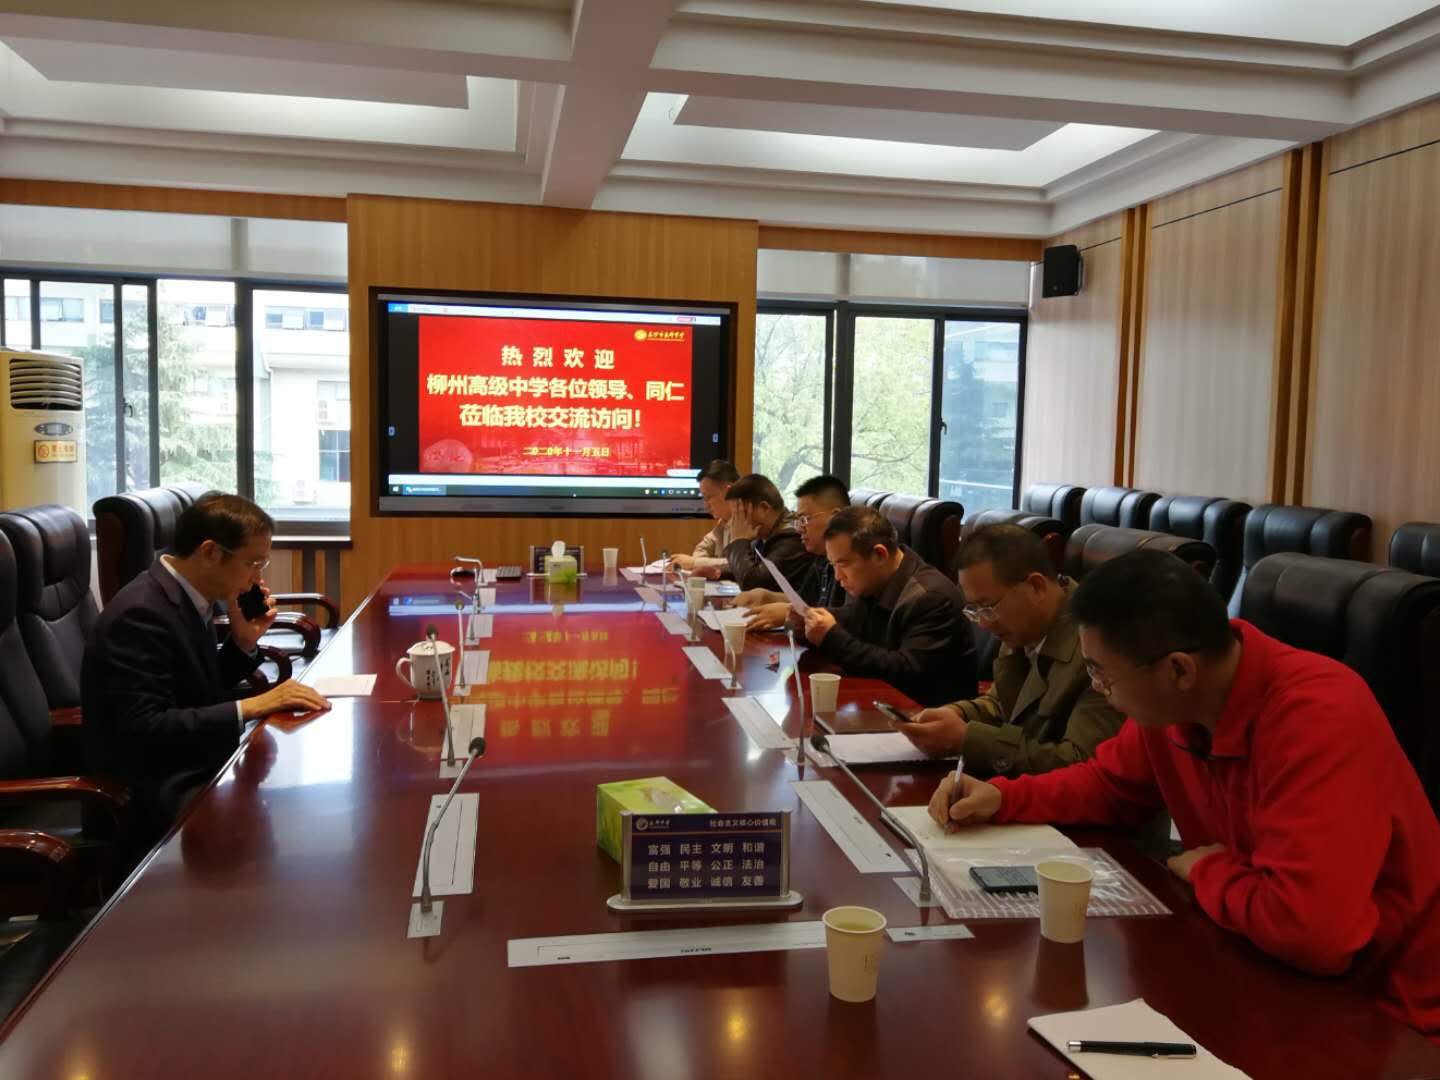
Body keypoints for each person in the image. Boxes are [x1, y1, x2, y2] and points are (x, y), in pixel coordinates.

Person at [927, 549, 1440, 1043]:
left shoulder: (1319, 717)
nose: (1098, 688)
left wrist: (1207, 870)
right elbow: (1107, 785)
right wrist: (1003, 798)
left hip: (1385, 1012)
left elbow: (1311, 931)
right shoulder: (1172, 706)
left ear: (1179, 670)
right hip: (1255, 958)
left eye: (1102, 673)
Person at [83, 492, 330, 837]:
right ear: (211, 552)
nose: (256, 578)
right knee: (300, 818)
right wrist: (252, 706)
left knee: (305, 802)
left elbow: (195, 688)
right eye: (253, 563)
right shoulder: (141, 614)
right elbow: (144, 727)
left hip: (191, 763)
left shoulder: (187, 596)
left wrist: (243, 644)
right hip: (153, 789)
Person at [894, 523, 1125, 776]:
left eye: (988, 607)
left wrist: (967, 740)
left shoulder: (1099, 649)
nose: (983, 623)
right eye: (975, 610)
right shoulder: (1023, 626)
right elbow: (1003, 704)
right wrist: (956, 713)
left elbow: (1082, 765)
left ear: (1035, 587)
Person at [803, 506, 976, 708]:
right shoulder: (874, 581)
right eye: (833, 565)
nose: (838, 576)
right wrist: (810, 620)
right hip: (882, 703)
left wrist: (831, 637)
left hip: (924, 714)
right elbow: (854, 619)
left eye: (843, 564)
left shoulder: (930, 597)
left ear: (880, 555)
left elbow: (904, 670)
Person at [735, 473, 849, 630]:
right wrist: (768, 596)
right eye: (798, 520)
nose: (799, 529)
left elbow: (850, 619)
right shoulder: (820, 558)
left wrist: (793, 613)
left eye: (805, 519)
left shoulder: (853, 562)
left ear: (835, 517)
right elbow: (805, 600)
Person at [721, 473, 812, 591]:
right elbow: (755, 568)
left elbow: (753, 583)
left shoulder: (792, 538)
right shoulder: (765, 534)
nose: (734, 522)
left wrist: (738, 540)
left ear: (764, 508)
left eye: (740, 514)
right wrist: (718, 573)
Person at [669, 459, 738, 578]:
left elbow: (739, 565)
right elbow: (702, 549)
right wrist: (695, 562)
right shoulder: (724, 522)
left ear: (729, 492)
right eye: (703, 498)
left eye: (708, 497)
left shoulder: (749, 522)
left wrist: (694, 563)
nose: (706, 505)